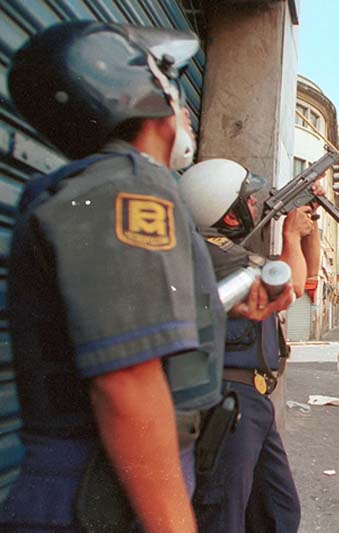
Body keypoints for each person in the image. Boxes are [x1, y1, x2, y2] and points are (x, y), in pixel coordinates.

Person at [0, 21, 231, 532]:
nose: (184, 106)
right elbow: (127, 379)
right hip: (97, 491)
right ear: (140, 91)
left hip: (107, 482)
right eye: (171, 81)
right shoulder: (127, 189)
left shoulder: (106, 188)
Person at [180, 158, 321, 532]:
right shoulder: (214, 253)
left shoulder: (230, 253)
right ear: (228, 215)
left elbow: (307, 277)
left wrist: (309, 226)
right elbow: (289, 287)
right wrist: (291, 236)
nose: (256, 205)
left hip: (252, 402)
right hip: (229, 403)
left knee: (277, 512)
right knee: (223, 514)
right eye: (249, 199)